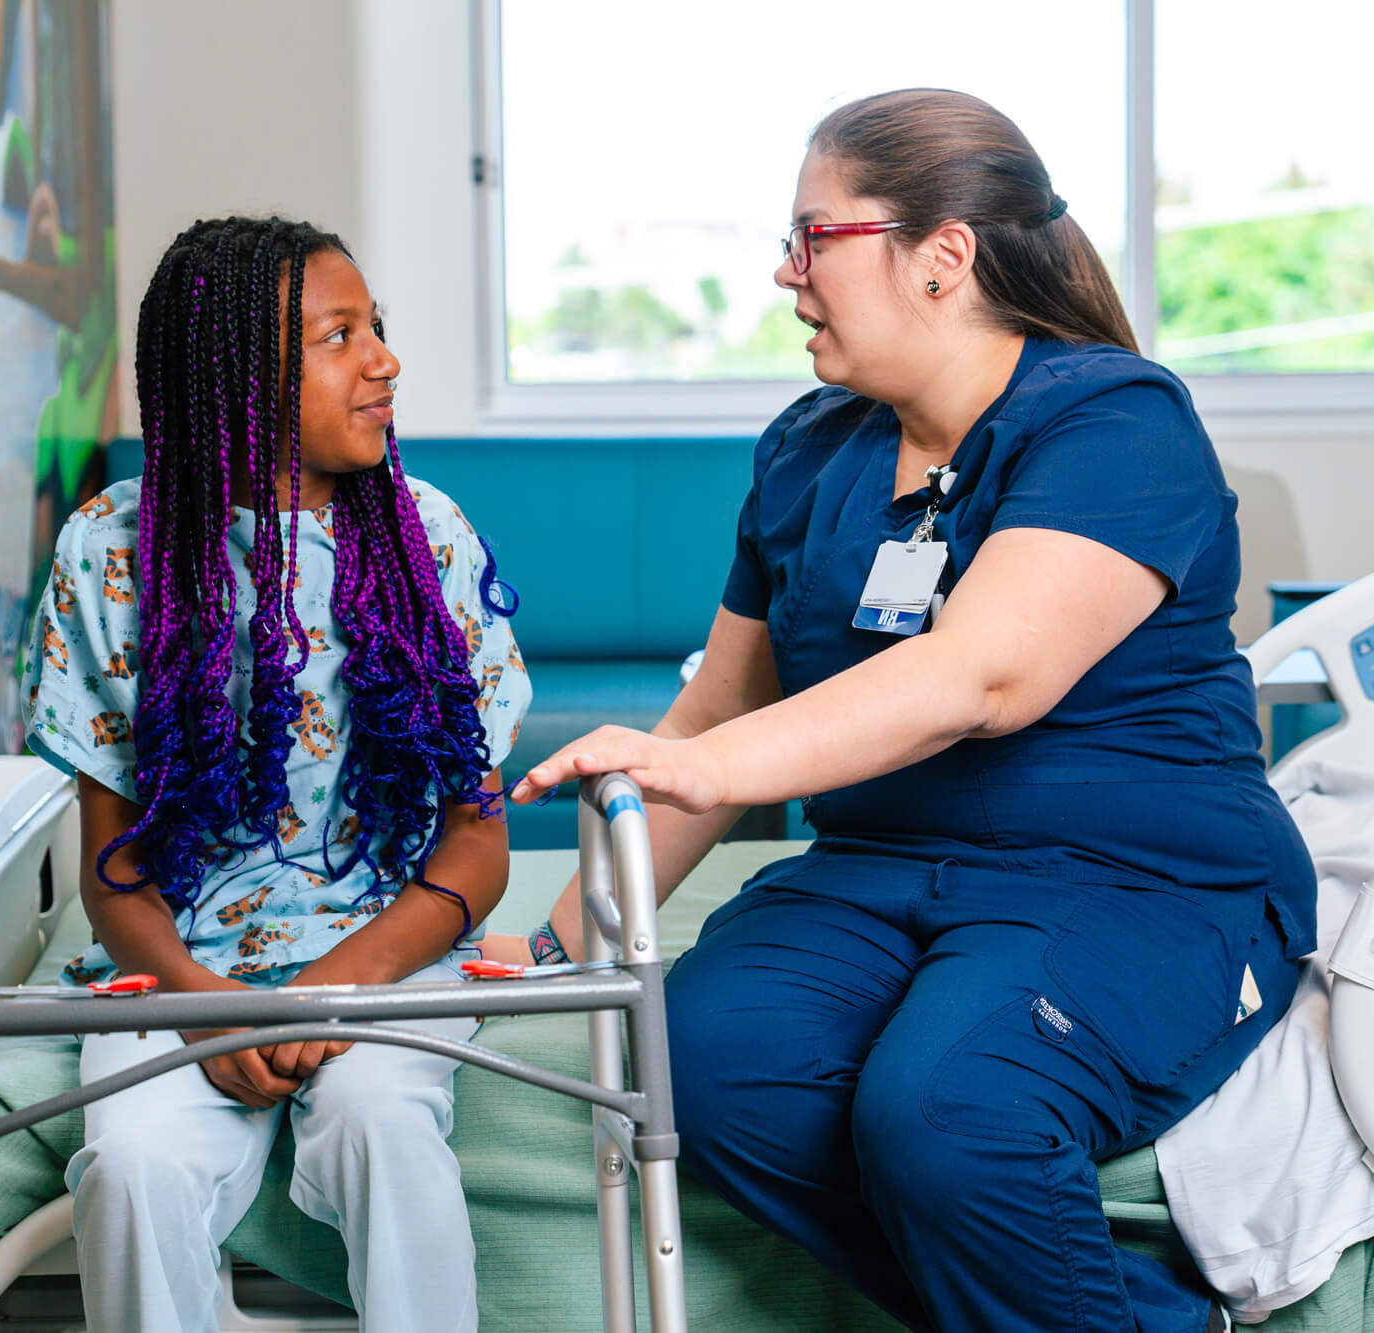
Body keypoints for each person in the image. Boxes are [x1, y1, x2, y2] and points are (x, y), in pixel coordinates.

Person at [500, 90, 1314, 1332]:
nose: (783, 274)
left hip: (1132, 878)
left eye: (811, 237)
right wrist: (564, 947)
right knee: (711, 1065)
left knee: (946, 1112)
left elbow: (982, 676)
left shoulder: (1113, 421)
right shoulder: (808, 450)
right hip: (883, 871)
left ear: (944, 258)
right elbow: (719, 696)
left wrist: (718, 767)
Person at [21, 216, 529, 1333]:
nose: (384, 359)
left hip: (382, 957)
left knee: (380, 1127)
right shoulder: (110, 551)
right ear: (236, 377)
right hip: (184, 970)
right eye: (340, 336)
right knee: (132, 1164)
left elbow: (475, 842)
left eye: (377, 329)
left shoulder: (426, 538)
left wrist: (332, 987)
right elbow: (113, 865)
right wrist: (215, 1014)